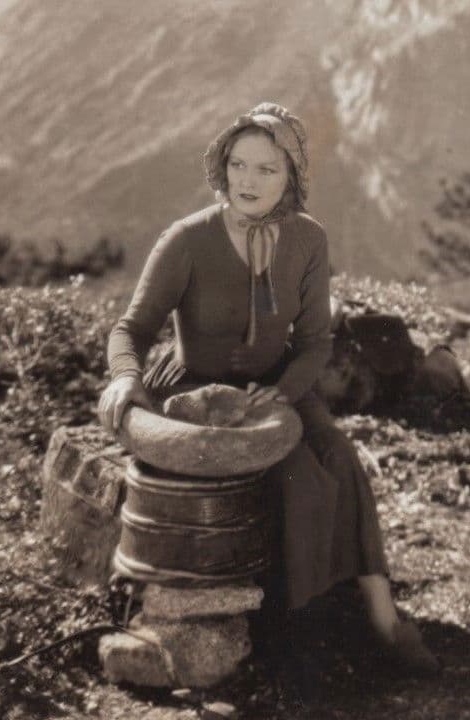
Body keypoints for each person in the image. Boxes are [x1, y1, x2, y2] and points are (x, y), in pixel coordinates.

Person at [97, 103, 439, 687]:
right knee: (293, 480)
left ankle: (383, 619)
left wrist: (281, 394)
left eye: (266, 169)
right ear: (222, 167)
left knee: (339, 458)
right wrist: (126, 377)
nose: (248, 181)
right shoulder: (187, 239)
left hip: (278, 387)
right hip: (192, 389)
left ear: (291, 177)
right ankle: (291, 628)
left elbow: (314, 343)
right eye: (238, 165)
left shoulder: (308, 239)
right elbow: (131, 329)